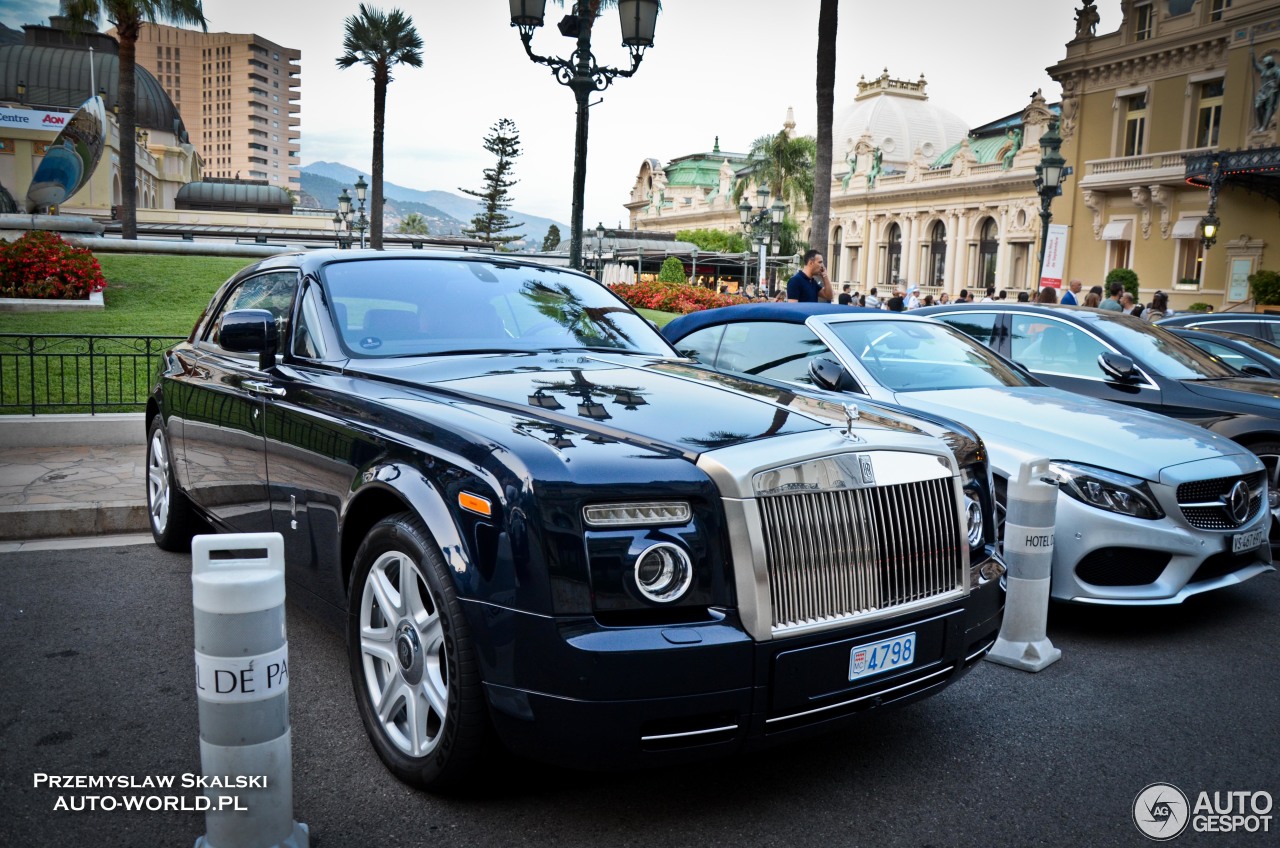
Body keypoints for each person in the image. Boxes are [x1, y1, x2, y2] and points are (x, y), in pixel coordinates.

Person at [1252, 45, 1280, 131]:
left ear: (1270, 63)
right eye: (1265, 64)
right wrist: (1252, 54)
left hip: (1272, 91)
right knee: (1257, 106)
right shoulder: (1264, 70)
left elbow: (1279, 78)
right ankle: (1260, 125)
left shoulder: (1276, 70)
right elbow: (1255, 65)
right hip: (1263, 91)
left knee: (1269, 108)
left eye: (1267, 64)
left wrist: (1275, 85)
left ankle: (1264, 126)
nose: (1265, 65)